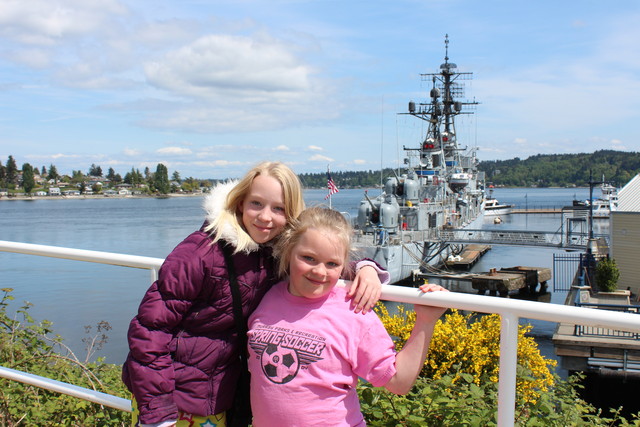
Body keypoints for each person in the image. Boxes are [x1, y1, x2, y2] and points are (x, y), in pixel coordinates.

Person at [122, 162, 386, 427]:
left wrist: (365, 267)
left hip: (220, 396)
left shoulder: (273, 252)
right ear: (240, 203)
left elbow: (323, 262)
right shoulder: (200, 253)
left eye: (279, 208)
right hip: (175, 399)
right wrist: (157, 410)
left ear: (291, 215)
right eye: (256, 204)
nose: (265, 217)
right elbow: (149, 330)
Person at [247, 206, 448, 427]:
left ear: (344, 265)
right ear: (288, 250)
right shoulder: (268, 297)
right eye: (308, 258)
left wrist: (425, 322)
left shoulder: (354, 310)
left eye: (332, 263)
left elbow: (398, 382)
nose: (320, 272)